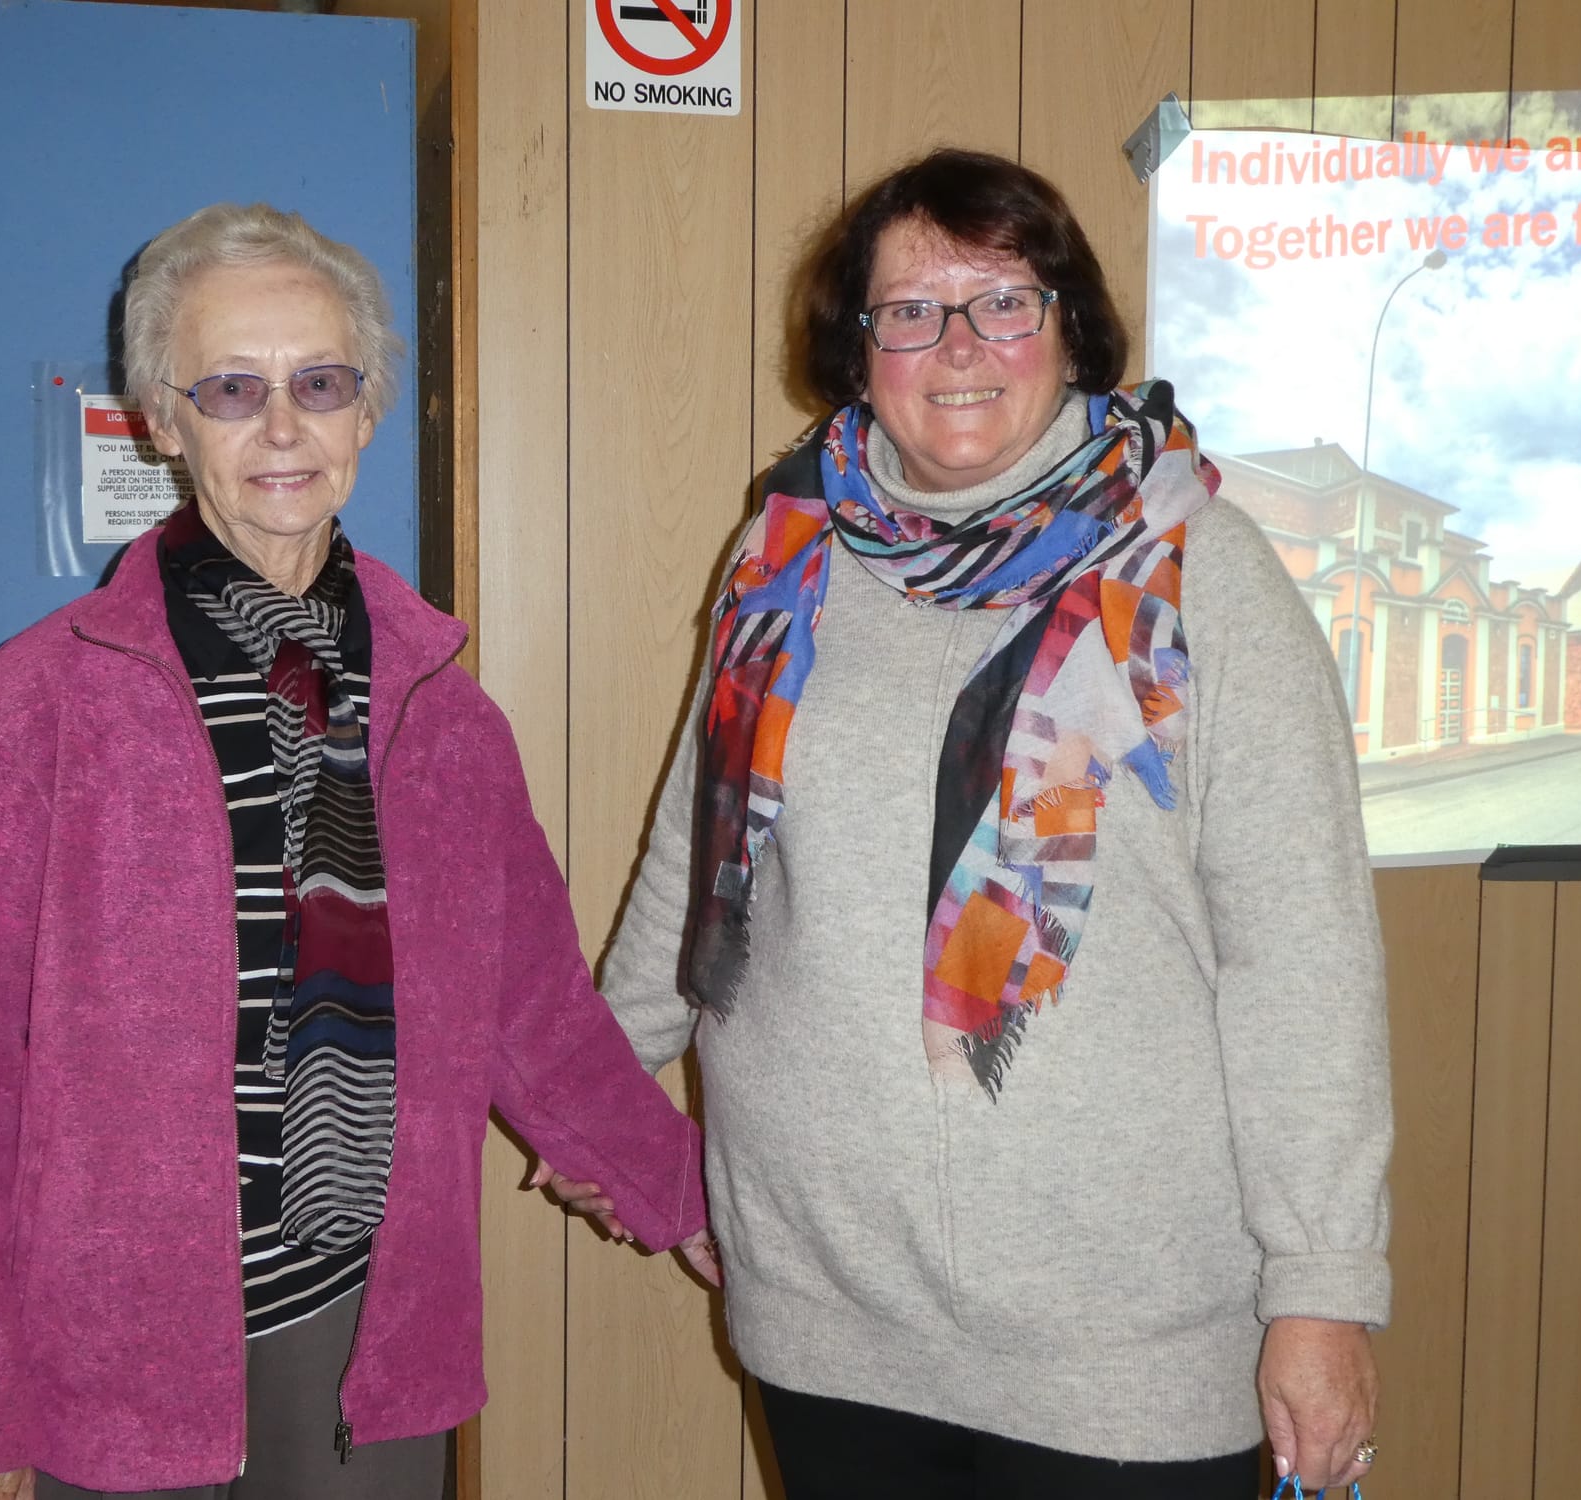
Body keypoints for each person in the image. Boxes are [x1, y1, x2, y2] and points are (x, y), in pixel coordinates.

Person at [552, 148, 1392, 1499]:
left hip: (1125, 1332)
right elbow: (696, 867)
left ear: (1070, 330)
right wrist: (592, 1106)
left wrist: (1324, 1283)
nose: (958, 345)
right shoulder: (784, 558)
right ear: (859, 345)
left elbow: (1305, 963)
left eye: (1003, 300)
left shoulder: (1199, 573)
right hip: (827, 1302)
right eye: (910, 310)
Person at [0, 202, 714, 1500]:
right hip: (114, 1347)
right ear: (162, 418)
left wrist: (705, 1204)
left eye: (320, 383)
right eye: (232, 388)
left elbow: (532, 1007)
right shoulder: (30, 708)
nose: (282, 426)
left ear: (369, 407)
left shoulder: (444, 711)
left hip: (372, 1329)